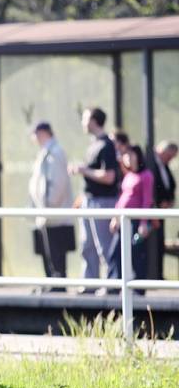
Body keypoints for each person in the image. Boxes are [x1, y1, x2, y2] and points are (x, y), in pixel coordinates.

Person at [69, 107, 120, 291]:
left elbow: (109, 177)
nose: (83, 123)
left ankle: (110, 285)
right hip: (89, 201)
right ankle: (89, 285)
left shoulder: (107, 145)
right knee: (87, 245)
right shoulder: (93, 144)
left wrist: (84, 170)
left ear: (94, 120)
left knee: (104, 246)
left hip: (103, 202)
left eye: (85, 119)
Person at [27, 122, 74, 287]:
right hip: (46, 213)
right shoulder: (47, 152)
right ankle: (52, 283)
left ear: (42, 133)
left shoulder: (56, 152)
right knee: (48, 252)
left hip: (54, 213)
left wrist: (49, 204)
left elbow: (58, 181)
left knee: (56, 253)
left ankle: (57, 285)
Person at [107, 145, 154, 290]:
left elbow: (147, 200)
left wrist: (144, 222)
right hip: (123, 221)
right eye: (125, 156)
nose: (127, 158)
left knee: (137, 253)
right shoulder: (128, 175)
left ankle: (139, 288)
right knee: (115, 253)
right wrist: (115, 217)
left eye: (130, 155)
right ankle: (115, 286)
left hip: (136, 222)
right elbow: (122, 199)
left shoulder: (146, 175)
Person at [147, 141, 177, 279]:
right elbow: (150, 188)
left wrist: (169, 201)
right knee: (151, 243)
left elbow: (169, 185)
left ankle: (158, 274)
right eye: (169, 156)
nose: (170, 160)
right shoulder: (150, 162)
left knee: (159, 243)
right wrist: (158, 203)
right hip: (151, 211)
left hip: (161, 212)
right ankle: (151, 274)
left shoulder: (164, 166)